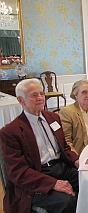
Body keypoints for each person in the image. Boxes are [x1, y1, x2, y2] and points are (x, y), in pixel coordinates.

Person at [0, 78, 79, 213]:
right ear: (20, 100)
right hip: (37, 174)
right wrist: (53, 183)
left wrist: (76, 160)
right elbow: (18, 172)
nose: (40, 98)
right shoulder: (11, 132)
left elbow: (64, 147)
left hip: (61, 166)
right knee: (67, 201)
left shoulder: (53, 117)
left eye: (41, 93)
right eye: (34, 95)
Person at [59, 79, 88, 155]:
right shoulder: (67, 112)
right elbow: (66, 142)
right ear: (76, 95)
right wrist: (75, 159)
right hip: (80, 154)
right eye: (84, 92)